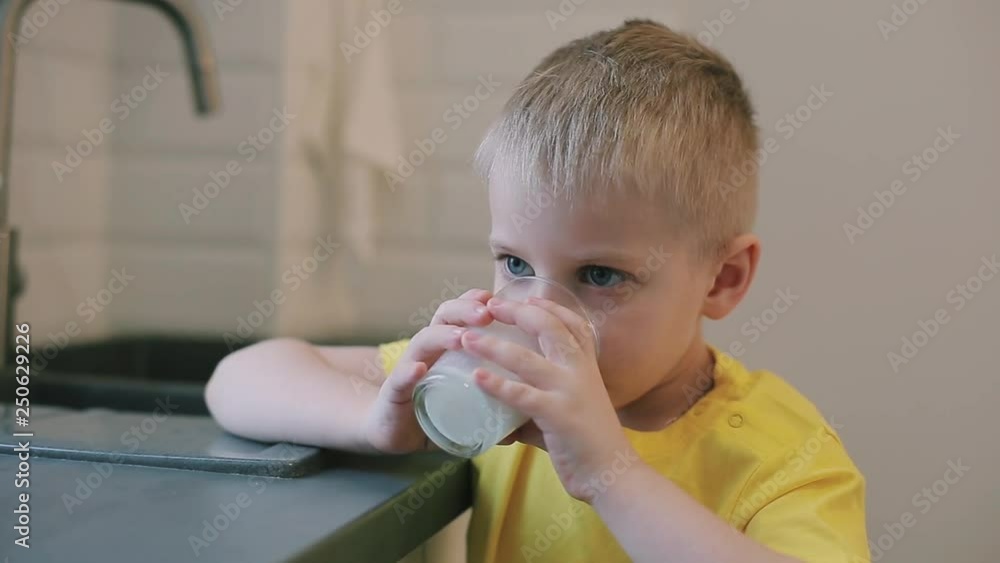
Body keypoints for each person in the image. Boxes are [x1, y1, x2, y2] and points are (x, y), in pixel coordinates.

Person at [206, 19, 869, 563]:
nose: (538, 312)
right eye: (515, 263)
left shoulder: (783, 453)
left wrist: (610, 472)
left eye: (601, 275)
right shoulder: (506, 383)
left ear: (721, 280)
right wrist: (375, 417)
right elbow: (238, 378)